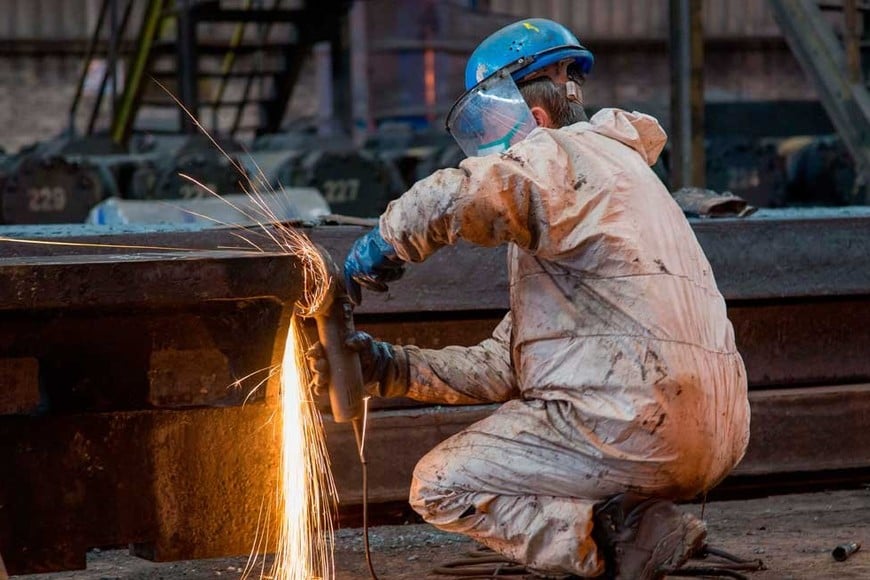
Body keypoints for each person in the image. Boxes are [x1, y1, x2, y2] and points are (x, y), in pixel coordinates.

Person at [320, 17, 751, 580]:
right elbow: (509, 364)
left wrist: (380, 247)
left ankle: (614, 542)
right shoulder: (622, 187)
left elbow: (456, 196)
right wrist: (393, 368)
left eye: (496, 133)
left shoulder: (561, 156)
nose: (495, 153)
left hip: (634, 423)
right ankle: (637, 520)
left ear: (536, 117)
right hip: (718, 430)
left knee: (441, 485)